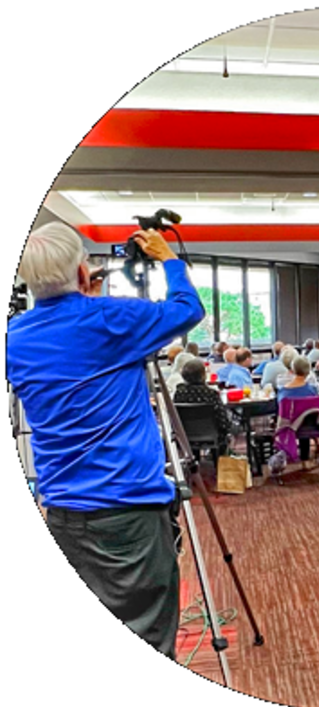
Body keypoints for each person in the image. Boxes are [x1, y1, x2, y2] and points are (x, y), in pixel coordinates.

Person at [6, 222, 205, 658]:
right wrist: (168, 259)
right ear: (81, 272)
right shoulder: (113, 319)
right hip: (129, 511)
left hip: (63, 513)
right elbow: (188, 309)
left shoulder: (14, 338)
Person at [173, 358, 236, 454]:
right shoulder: (211, 393)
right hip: (212, 435)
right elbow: (222, 418)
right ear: (203, 375)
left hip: (185, 435)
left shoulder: (179, 393)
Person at [277, 355, 319, 468]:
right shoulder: (312, 390)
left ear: (292, 370)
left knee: (296, 419)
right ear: (308, 371)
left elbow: (280, 412)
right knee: (303, 418)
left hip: (287, 428)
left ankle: (283, 455)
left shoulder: (283, 392)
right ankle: (305, 460)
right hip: (312, 427)